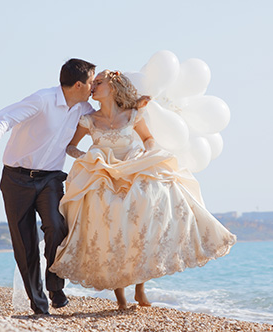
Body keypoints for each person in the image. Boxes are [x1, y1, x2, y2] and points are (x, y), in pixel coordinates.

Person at [49, 70, 237, 310]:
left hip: (132, 167)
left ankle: (140, 289)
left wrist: (145, 152)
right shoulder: (89, 120)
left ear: (114, 86)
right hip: (104, 173)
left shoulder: (133, 115)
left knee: (145, 216)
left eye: (99, 82)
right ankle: (120, 298)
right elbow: (71, 147)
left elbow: (148, 139)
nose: (93, 86)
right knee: (112, 226)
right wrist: (89, 157)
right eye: (93, 82)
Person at [0, 58, 96, 315]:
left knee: (57, 225)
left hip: (51, 178)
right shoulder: (42, 100)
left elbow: (107, 120)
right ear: (78, 84)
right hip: (16, 179)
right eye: (91, 82)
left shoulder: (84, 109)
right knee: (25, 243)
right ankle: (39, 306)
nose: (93, 87)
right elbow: (6, 117)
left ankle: (55, 286)